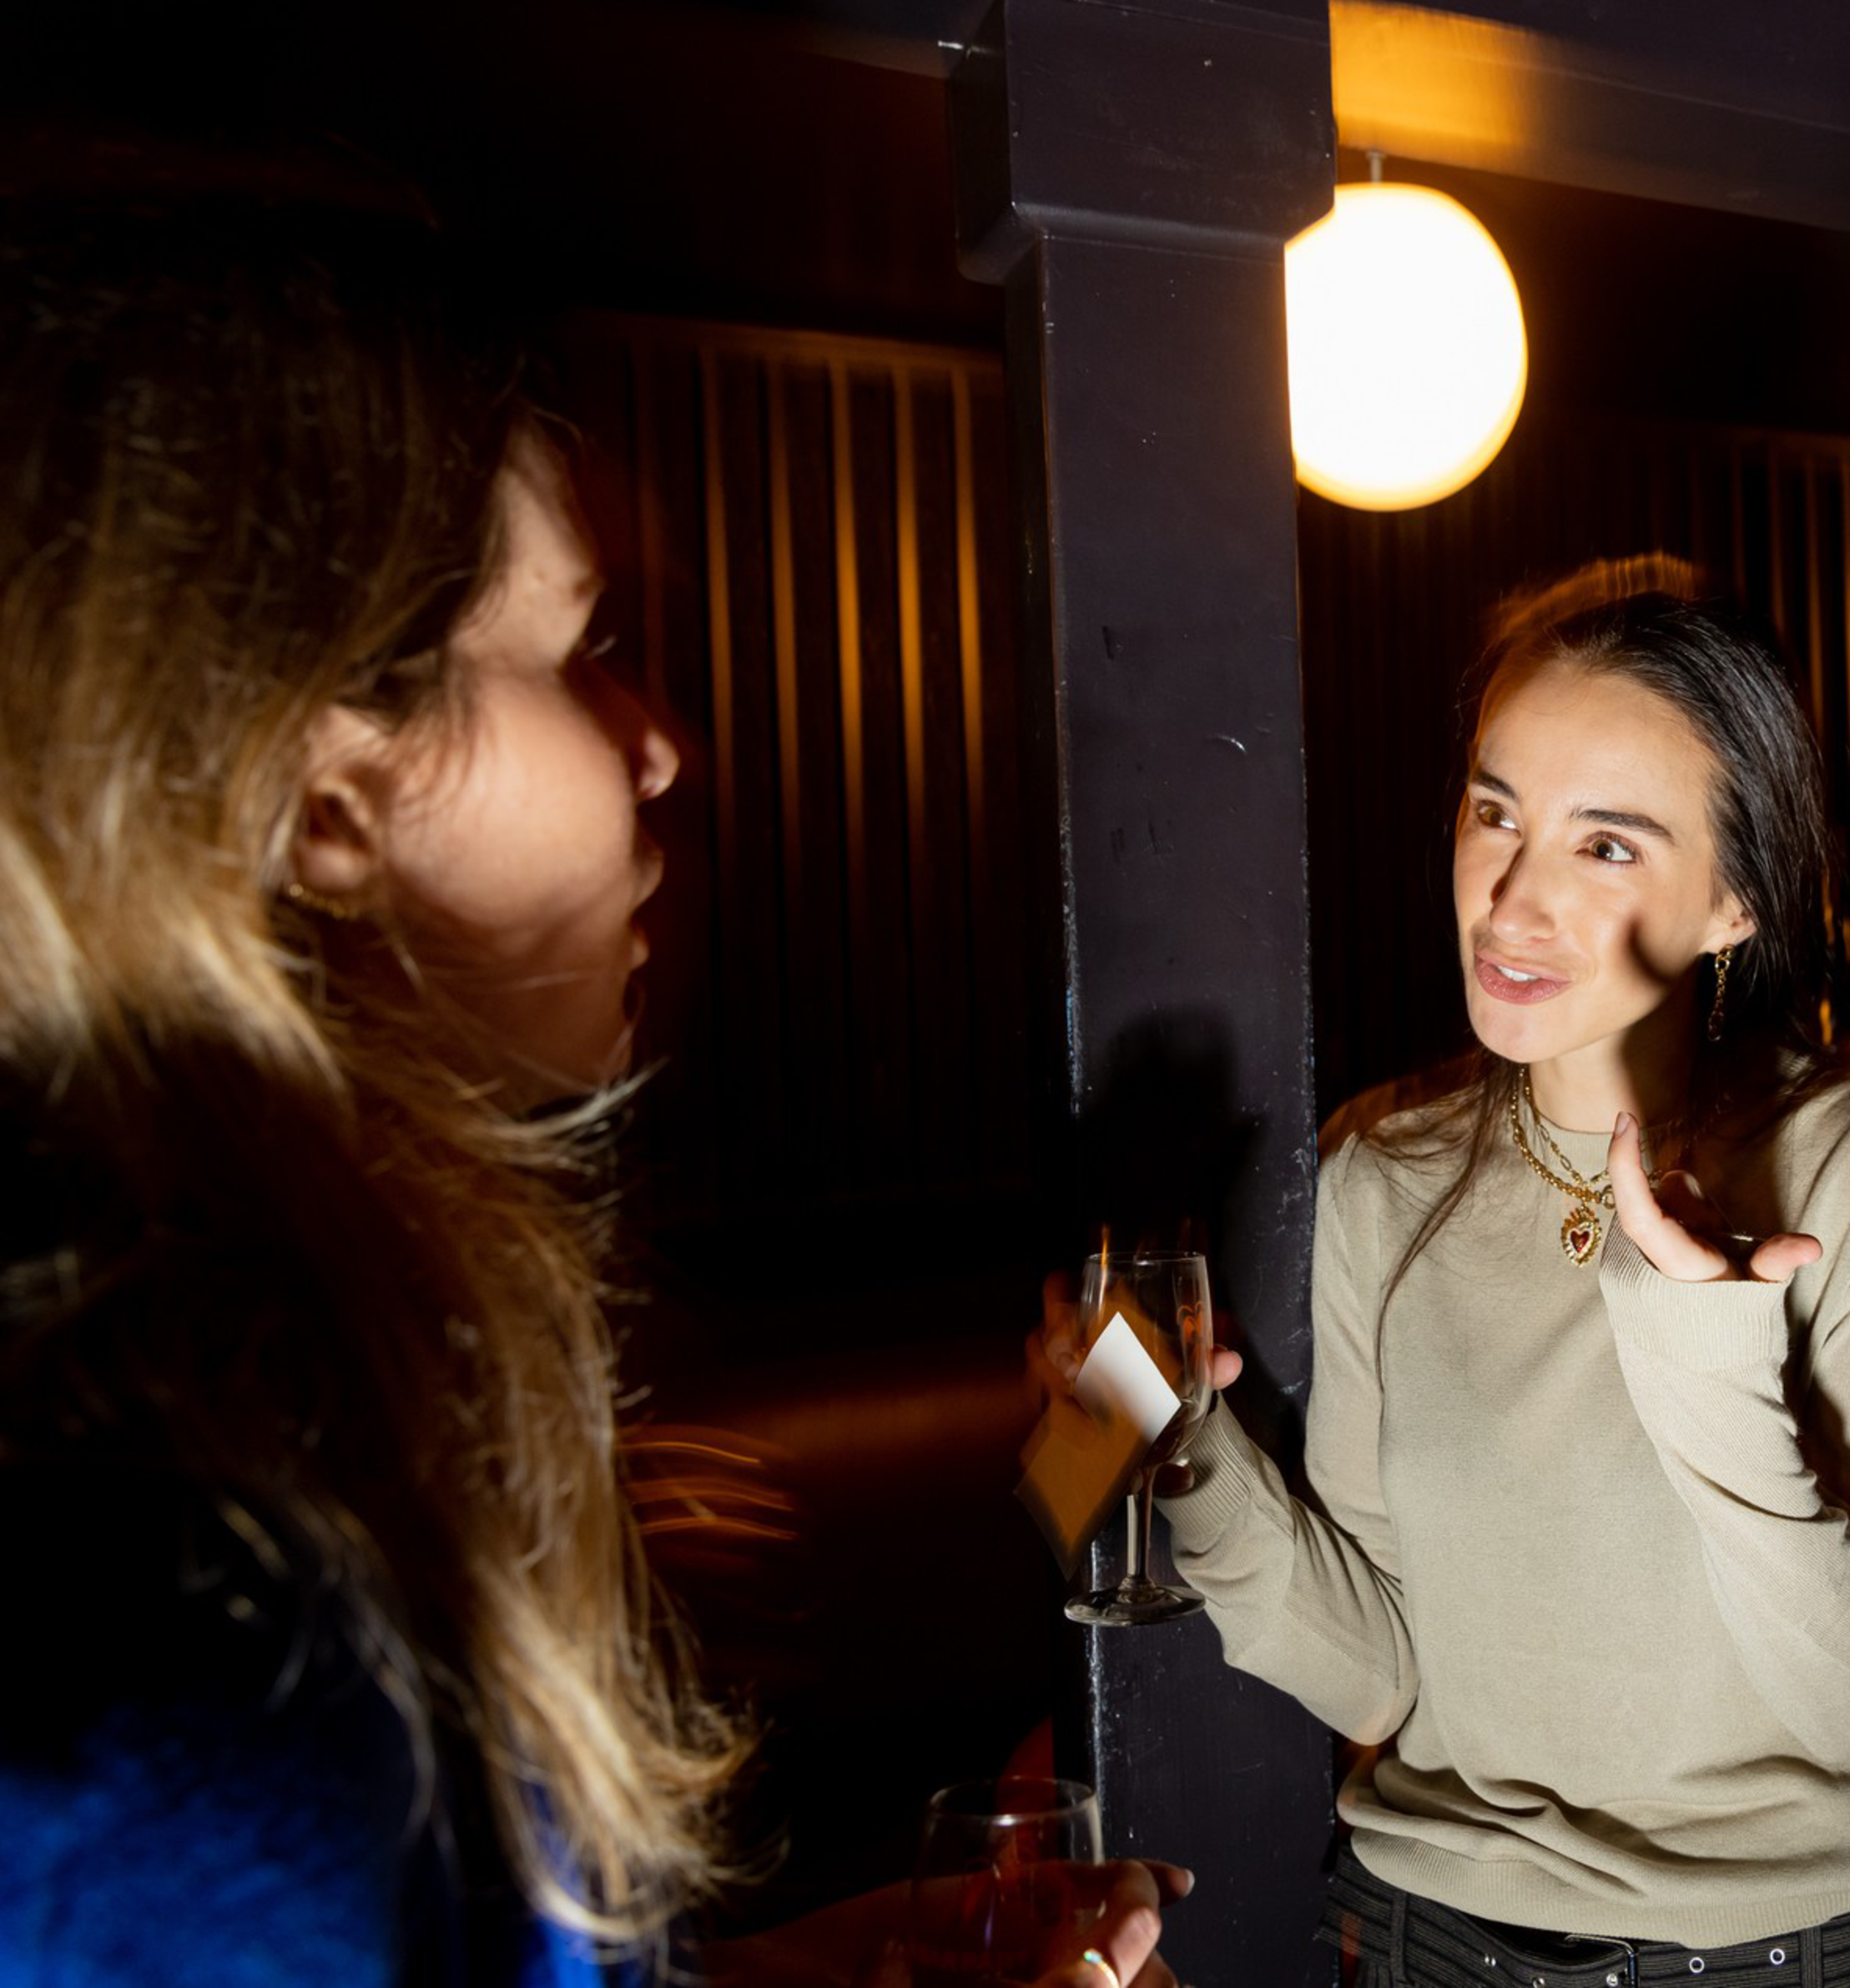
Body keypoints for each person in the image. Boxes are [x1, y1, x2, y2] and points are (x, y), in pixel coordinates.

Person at [0, 156, 1182, 1988]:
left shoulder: (317, 1399)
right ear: (326, 796)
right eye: (578, 649)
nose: (656, 749)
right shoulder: (176, 1647)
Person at [1044, 566, 1850, 1984]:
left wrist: (1707, 1350)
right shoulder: (1382, 1176)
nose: (1514, 899)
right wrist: (1179, 1447)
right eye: (1495, 815)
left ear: (1733, 900)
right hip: (1418, 1941)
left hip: (1780, 1957)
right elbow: (1380, 1676)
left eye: (1606, 845)